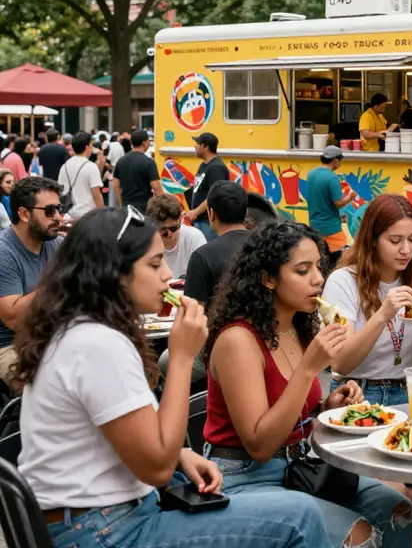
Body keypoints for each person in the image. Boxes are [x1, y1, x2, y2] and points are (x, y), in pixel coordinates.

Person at [14, 207, 331, 548]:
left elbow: (117, 435)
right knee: (299, 516)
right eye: (154, 265)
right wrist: (181, 357)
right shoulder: (99, 345)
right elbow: (158, 470)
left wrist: (180, 454)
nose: (168, 275)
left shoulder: (80, 333)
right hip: (103, 530)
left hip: (92, 521)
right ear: (113, 273)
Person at [204, 220, 412, 548]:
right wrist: (308, 369)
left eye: (318, 266)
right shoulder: (238, 340)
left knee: (398, 510)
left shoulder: (298, 327)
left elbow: (287, 405)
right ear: (268, 279)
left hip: (299, 466)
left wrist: (324, 406)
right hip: (243, 475)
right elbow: (260, 445)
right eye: (302, 271)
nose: (318, 279)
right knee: (357, 535)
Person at [323, 194, 412, 406]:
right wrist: (382, 316)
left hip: (410, 390)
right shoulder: (343, 281)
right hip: (358, 392)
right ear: (372, 240)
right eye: (395, 241)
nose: (406, 250)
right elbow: (341, 364)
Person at [160, 181, 251, 383]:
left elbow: (194, 316)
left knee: (165, 362)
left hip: (219, 347)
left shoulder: (203, 256)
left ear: (211, 214)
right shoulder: (267, 245)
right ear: (245, 212)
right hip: (268, 339)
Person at [0, 177, 63, 385]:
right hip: (10, 346)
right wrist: (59, 282)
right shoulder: (4, 253)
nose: (59, 217)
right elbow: (14, 320)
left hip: (51, 337)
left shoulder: (56, 243)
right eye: (49, 211)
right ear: (24, 214)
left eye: (59, 209)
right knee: (49, 384)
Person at [306, 146, 356, 267]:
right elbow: (337, 203)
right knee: (341, 262)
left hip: (314, 225)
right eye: (340, 161)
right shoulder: (332, 178)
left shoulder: (311, 174)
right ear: (335, 161)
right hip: (331, 228)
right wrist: (350, 197)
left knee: (321, 261)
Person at [146, 193, 206, 279]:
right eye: (163, 229)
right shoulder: (146, 241)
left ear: (181, 218)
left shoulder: (194, 237)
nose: (169, 234)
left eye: (174, 228)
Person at [186, 132, 229, 241]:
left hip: (208, 222)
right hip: (200, 220)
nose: (194, 146)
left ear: (206, 147)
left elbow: (214, 195)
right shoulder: (204, 165)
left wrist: (195, 212)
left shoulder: (216, 168)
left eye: (197, 143)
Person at [112, 129, 163, 214]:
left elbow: (115, 184)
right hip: (144, 208)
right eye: (148, 141)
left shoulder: (121, 161)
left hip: (126, 207)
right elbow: (155, 185)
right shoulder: (149, 162)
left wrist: (121, 203)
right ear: (144, 143)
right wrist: (163, 204)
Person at [58, 131, 104, 220]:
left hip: (69, 215)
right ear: (87, 147)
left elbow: (61, 190)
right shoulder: (90, 166)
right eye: (91, 145)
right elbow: (96, 195)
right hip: (88, 215)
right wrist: (102, 216)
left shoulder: (65, 166)